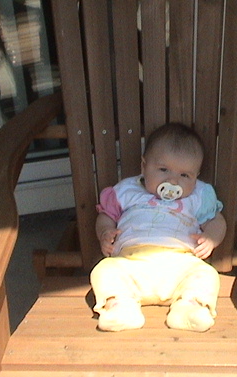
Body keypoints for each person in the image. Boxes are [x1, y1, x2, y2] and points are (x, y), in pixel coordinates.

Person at [90, 122, 226, 332]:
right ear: (144, 166)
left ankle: (189, 307)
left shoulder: (199, 195)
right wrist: (104, 233)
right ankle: (121, 306)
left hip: (181, 264)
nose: (173, 180)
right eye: (163, 170)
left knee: (206, 274)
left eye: (185, 175)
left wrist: (211, 238)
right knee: (104, 270)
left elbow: (216, 221)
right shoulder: (126, 191)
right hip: (130, 262)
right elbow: (106, 216)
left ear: (196, 176)